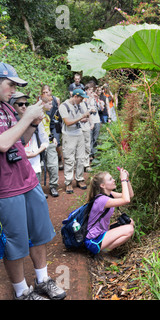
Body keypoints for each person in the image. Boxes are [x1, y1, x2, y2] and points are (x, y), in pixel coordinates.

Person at [0, 62, 66, 300]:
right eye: (10, 84)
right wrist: (25, 116)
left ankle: (42, 280)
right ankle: (21, 292)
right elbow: (3, 143)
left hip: (27, 179)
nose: (14, 89)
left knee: (39, 233)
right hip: (6, 188)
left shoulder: (7, 109)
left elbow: (20, 141)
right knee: (14, 241)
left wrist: (34, 122)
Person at [84, 168, 134, 256]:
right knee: (129, 229)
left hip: (102, 233)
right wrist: (122, 180)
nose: (114, 180)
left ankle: (104, 250)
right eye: (110, 179)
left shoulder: (109, 194)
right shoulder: (102, 200)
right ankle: (103, 253)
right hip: (93, 240)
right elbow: (126, 200)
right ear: (103, 185)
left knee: (130, 222)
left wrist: (127, 179)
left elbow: (130, 195)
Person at [10, 92, 50, 198]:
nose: (24, 106)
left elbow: (45, 141)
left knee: (35, 197)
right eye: (20, 104)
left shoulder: (36, 120)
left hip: (34, 164)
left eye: (26, 104)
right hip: (16, 167)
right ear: (12, 105)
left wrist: (36, 152)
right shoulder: (9, 122)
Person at [58, 88, 91, 194]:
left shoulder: (78, 105)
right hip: (69, 135)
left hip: (79, 133)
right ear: (75, 96)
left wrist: (85, 116)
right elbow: (67, 122)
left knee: (81, 158)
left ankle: (80, 178)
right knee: (69, 159)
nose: (82, 101)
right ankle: (68, 182)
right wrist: (81, 117)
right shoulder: (64, 106)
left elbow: (82, 116)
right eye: (81, 99)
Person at [39, 85, 63, 172]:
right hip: (45, 122)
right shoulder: (40, 99)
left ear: (50, 91)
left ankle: (59, 158)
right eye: (43, 92)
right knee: (45, 141)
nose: (45, 94)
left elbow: (58, 111)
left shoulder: (56, 100)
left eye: (47, 92)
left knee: (56, 142)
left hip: (54, 122)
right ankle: (47, 162)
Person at [86, 84, 101, 160]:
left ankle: (94, 153)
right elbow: (84, 109)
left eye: (92, 90)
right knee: (90, 138)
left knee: (96, 138)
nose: (91, 92)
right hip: (89, 121)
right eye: (89, 90)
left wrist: (97, 99)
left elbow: (100, 108)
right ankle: (90, 154)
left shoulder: (95, 99)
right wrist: (90, 110)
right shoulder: (85, 99)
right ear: (86, 91)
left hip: (97, 120)